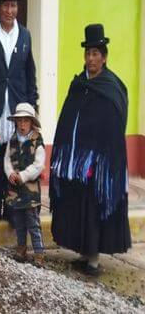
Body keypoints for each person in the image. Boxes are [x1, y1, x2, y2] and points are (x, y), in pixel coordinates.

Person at [50, 24, 131, 276]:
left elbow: (114, 126)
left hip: (99, 163)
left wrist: (99, 160)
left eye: (96, 53)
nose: (91, 59)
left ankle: (94, 261)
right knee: (78, 206)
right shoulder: (79, 85)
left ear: (104, 57)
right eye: (88, 54)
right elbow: (68, 121)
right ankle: (84, 253)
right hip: (77, 163)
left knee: (94, 209)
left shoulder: (111, 87)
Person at [0, 0, 38, 224]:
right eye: (6, 5)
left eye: (14, 5)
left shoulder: (25, 35)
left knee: (15, 159)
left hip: (18, 109)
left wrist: (32, 106)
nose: (10, 10)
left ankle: (10, 206)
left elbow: (30, 74)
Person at [3, 103, 45, 267]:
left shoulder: (36, 141)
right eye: (19, 121)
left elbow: (38, 165)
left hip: (30, 190)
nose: (22, 125)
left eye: (25, 121)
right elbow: (7, 160)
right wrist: (10, 173)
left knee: (32, 221)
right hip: (15, 189)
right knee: (18, 220)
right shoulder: (12, 140)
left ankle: (39, 253)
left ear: (32, 123)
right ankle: (21, 248)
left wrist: (23, 175)